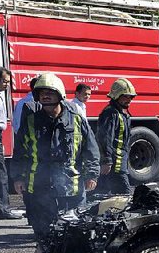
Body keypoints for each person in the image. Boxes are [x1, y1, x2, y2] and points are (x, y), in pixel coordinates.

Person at [12, 72, 99, 238]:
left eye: (49, 92)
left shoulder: (76, 120)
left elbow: (90, 150)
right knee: (44, 237)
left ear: (60, 94)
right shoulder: (30, 121)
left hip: (71, 190)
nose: (45, 96)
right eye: (41, 93)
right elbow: (20, 152)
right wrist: (18, 177)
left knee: (75, 236)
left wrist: (92, 175)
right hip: (39, 188)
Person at [0, 68, 22, 220]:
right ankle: (3, 210)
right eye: (5, 81)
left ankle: (2, 208)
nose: (7, 85)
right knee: (0, 173)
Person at [96, 78, 135, 195]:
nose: (129, 100)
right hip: (114, 164)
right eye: (125, 96)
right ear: (116, 96)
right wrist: (106, 160)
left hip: (119, 162)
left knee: (109, 194)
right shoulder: (110, 113)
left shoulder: (121, 114)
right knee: (124, 194)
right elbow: (105, 138)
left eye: (131, 97)